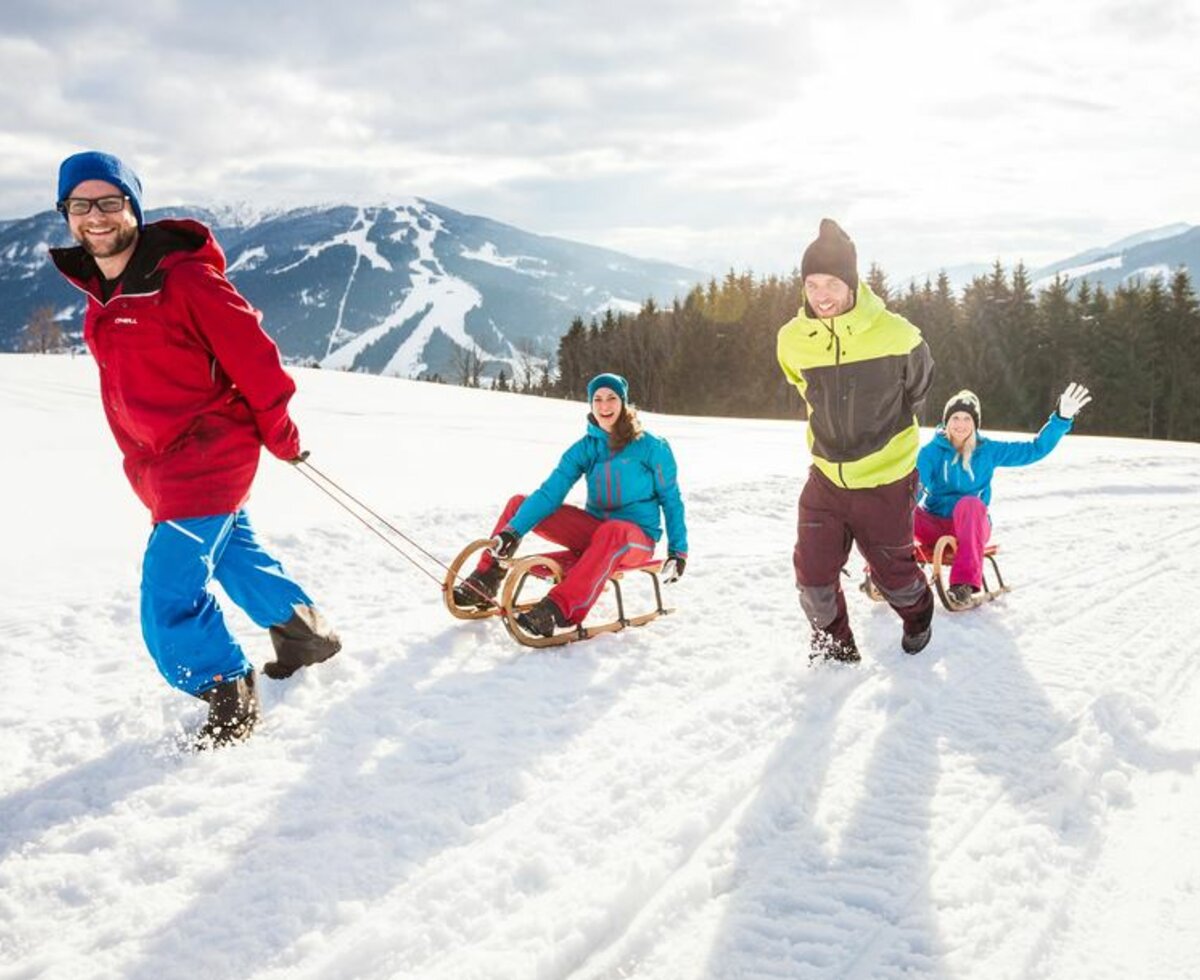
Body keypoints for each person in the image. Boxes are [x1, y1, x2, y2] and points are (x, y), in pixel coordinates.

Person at [49, 151, 341, 748]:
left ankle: (226, 690)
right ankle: (305, 634)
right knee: (233, 549)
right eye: (81, 204)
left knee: (169, 587)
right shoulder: (100, 286)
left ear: (133, 206)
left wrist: (280, 435)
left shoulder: (185, 279)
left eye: (109, 201)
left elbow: (258, 363)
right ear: (66, 214)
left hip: (208, 456)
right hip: (158, 463)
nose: (96, 216)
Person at [777, 218, 936, 662]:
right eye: (811, 284)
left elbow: (919, 388)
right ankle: (835, 651)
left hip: (885, 480)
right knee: (811, 577)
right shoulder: (792, 340)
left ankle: (920, 614)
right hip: (825, 477)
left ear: (852, 282)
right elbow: (801, 386)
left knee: (894, 578)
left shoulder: (900, 336)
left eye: (831, 282)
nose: (821, 295)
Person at [453, 373, 688, 637]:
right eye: (597, 399)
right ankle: (486, 578)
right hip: (596, 532)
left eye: (611, 398)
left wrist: (678, 551)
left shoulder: (651, 447)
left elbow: (671, 500)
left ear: (623, 402)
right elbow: (549, 493)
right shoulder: (585, 449)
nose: (604, 406)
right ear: (590, 405)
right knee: (520, 504)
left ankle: (557, 609)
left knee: (615, 531)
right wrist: (512, 532)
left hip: (636, 539)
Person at [916, 384, 1092, 606]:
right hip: (935, 524)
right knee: (900, 505)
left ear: (975, 424)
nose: (960, 424)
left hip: (971, 526)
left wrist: (1060, 419)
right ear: (946, 421)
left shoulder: (987, 450)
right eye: (956, 418)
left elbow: (1034, 449)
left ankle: (962, 586)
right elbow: (916, 486)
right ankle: (887, 573)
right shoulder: (930, 452)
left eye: (967, 419)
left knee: (969, 504)